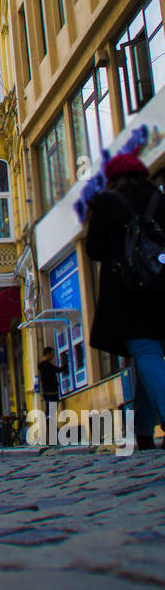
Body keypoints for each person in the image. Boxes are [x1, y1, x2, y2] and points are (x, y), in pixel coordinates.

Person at [86, 151, 165, 451]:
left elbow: (94, 249)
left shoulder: (107, 203)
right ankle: (144, 433)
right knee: (147, 358)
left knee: (144, 351)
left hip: (129, 292)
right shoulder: (159, 198)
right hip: (162, 287)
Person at [37, 345, 60, 425]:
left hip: (46, 391)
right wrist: (67, 365)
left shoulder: (42, 365)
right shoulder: (47, 365)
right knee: (52, 412)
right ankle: (51, 429)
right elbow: (57, 370)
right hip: (52, 391)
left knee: (49, 412)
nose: (53, 356)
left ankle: (50, 429)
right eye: (52, 354)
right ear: (47, 354)